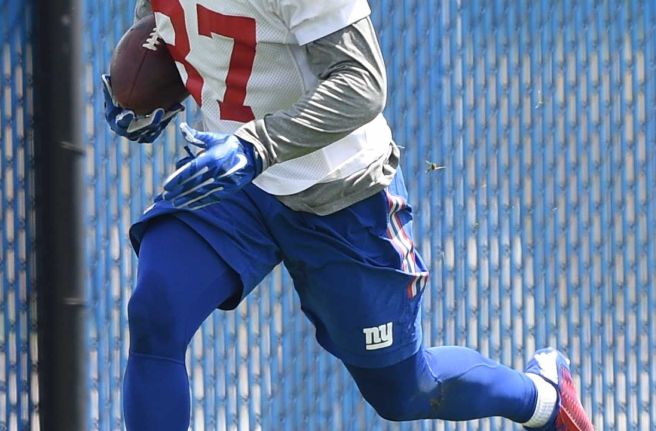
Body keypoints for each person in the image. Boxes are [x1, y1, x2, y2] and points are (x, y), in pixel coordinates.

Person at [101, 1, 595, 430]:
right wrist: (152, 100)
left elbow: (362, 84)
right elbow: (170, 23)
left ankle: (541, 398)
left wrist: (257, 146)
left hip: (337, 191)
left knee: (405, 391)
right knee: (156, 312)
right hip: (235, 184)